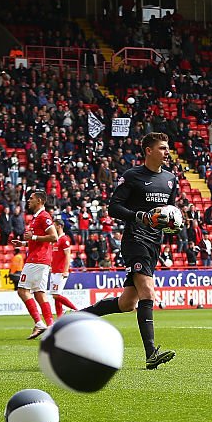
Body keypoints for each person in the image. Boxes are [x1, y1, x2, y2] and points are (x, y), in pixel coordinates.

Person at [82, 133, 178, 369]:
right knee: (148, 291)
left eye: (168, 149)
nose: (167, 152)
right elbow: (113, 207)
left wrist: (173, 223)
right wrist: (138, 216)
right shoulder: (132, 176)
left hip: (155, 242)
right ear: (148, 150)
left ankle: (76, 317)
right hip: (135, 240)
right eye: (163, 148)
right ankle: (151, 353)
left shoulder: (170, 179)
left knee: (127, 304)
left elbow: (170, 211)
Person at [12, 190, 58, 339]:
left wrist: (34, 237)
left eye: (31, 198)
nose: (28, 201)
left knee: (22, 290)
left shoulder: (44, 217)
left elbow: (54, 237)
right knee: (39, 293)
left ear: (39, 201)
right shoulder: (36, 217)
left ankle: (39, 322)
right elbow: (38, 241)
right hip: (39, 258)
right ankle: (50, 325)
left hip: (37, 260)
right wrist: (25, 243)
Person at [49, 218, 78, 318]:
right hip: (54, 270)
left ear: (59, 226)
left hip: (61, 271)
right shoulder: (56, 239)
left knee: (56, 295)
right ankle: (60, 317)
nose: (53, 227)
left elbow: (67, 255)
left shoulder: (64, 239)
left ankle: (76, 310)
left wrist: (65, 270)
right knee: (56, 296)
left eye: (54, 225)